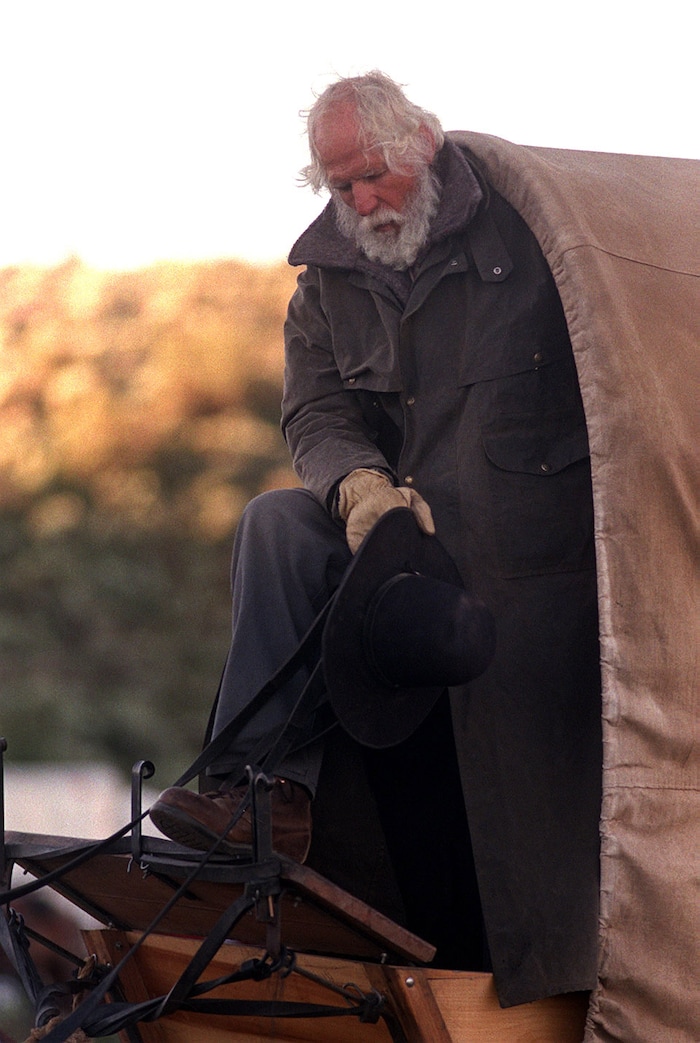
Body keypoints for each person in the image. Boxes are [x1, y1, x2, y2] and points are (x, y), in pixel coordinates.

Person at [150, 71, 602, 1007]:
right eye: (337, 185)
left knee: (531, 860)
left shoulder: (534, 237)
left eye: (371, 177)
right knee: (275, 521)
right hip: (395, 551)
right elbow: (314, 409)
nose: (359, 202)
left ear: (423, 142)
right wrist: (358, 487)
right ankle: (257, 791)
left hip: (526, 570)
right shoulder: (322, 287)